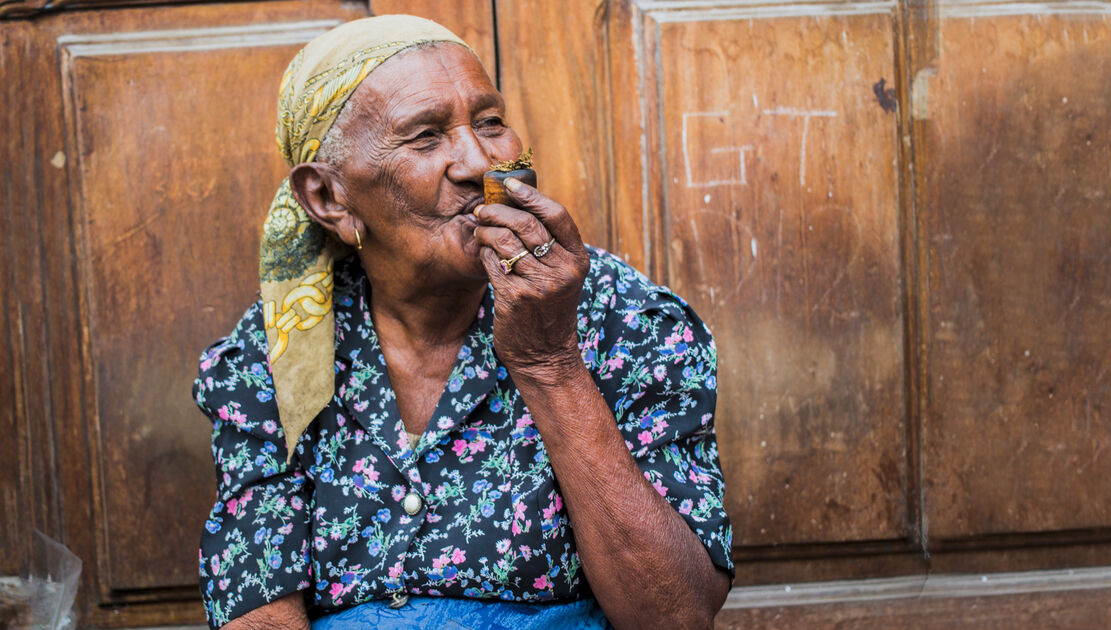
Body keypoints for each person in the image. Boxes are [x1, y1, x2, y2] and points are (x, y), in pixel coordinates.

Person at [193, 14, 732, 630]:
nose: (482, 162)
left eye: (491, 122)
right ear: (328, 198)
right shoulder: (275, 354)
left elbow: (676, 616)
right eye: (425, 137)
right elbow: (259, 612)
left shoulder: (624, 317)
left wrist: (548, 362)